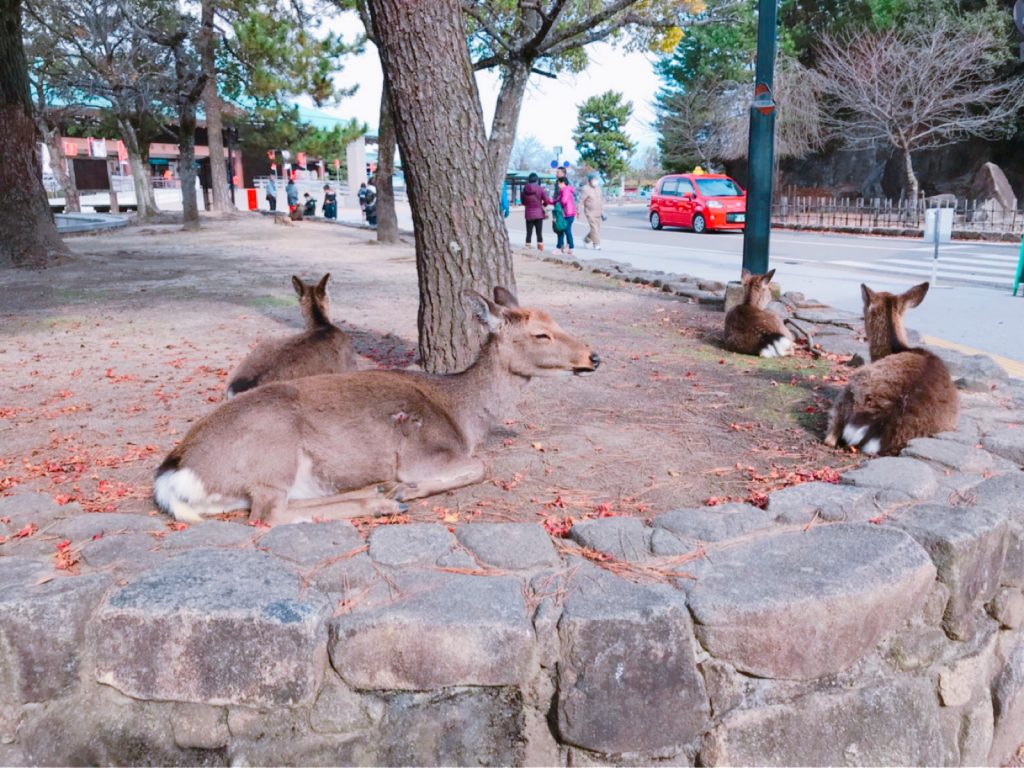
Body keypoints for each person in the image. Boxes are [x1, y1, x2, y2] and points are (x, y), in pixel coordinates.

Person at [521, 172, 553, 251]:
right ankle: (540, 249)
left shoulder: (524, 189)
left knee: (529, 232)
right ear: (536, 180)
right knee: (539, 233)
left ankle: (528, 246)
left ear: (529, 180)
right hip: (539, 214)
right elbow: (546, 200)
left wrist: (528, 205)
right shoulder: (540, 189)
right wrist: (544, 205)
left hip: (528, 213)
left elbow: (523, 202)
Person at [580, 173, 605, 250]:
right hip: (589, 212)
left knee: (596, 229)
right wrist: (578, 211)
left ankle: (586, 240)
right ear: (590, 181)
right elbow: (581, 201)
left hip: (598, 212)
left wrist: (603, 211)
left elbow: (601, 200)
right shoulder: (585, 189)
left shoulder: (598, 188)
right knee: (594, 228)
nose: (595, 181)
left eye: (596, 180)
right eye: (594, 180)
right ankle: (596, 244)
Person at [554, 176, 576, 256]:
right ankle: (563, 248)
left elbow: (563, 201)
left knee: (566, 231)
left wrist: (558, 203)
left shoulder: (565, 190)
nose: (558, 185)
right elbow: (557, 200)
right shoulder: (563, 191)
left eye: (559, 183)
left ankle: (570, 248)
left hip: (568, 214)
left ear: (563, 183)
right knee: (563, 231)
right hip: (568, 214)